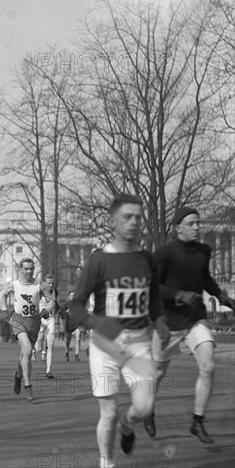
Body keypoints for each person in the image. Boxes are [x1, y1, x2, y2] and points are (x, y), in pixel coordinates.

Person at [67, 193, 171, 468]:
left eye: (139, 217)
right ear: (113, 221)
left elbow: (154, 299)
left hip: (138, 343)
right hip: (105, 346)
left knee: (145, 407)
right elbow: (75, 308)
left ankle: (129, 423)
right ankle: (106, 462)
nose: (135, 222)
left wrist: (160, 320)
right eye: (127, 217)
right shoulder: (99, 261)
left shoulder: (147, 259)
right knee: (109, 412)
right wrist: (99, 323)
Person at [145, 207, 235, 444]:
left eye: (198, 223)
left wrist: (222, 296)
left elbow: (205, 278)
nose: (197, 227)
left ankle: (197, 421)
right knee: (157, 373)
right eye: (191, 223)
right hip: (168, 322)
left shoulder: (204, 251)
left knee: (208, 366)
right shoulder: (163, 253)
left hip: (195, 319)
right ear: (178, 228)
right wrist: (179, 295)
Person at [0, 258, 42, 402]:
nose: (29, 271)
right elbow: (2, 294)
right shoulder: (15, 285)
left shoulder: (38, 285)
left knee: (25, 354)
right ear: (21, 269)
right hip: (19, 321)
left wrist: (48, 308)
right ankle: (28, 386)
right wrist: (5, 310)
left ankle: (18, 376)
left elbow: (50, 298)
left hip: (34, 322)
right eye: (26, 269)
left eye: (31, 268)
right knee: (28, 350)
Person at [34, 273, 61, 379]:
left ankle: (48, 369)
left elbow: (56, 305)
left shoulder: (55, 292)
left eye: (52, 283)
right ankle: (38, 350)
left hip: (50, 319)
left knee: (50, 345)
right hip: (40, 320)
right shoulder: (39, 292)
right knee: (38, 348)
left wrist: (60, 309)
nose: (51, 285)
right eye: (49, 283)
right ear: (44, 283)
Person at [64, 291, 83, 362]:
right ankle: (66, 353)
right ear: (69, 297)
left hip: (77, 324)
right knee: (67, 340)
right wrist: (66, 312)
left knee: (78, 339)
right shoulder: (66, 304)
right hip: (69, 324)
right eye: (71, 295)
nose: (72, 297)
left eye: (74, 295)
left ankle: (76, 355)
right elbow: (62, 314)